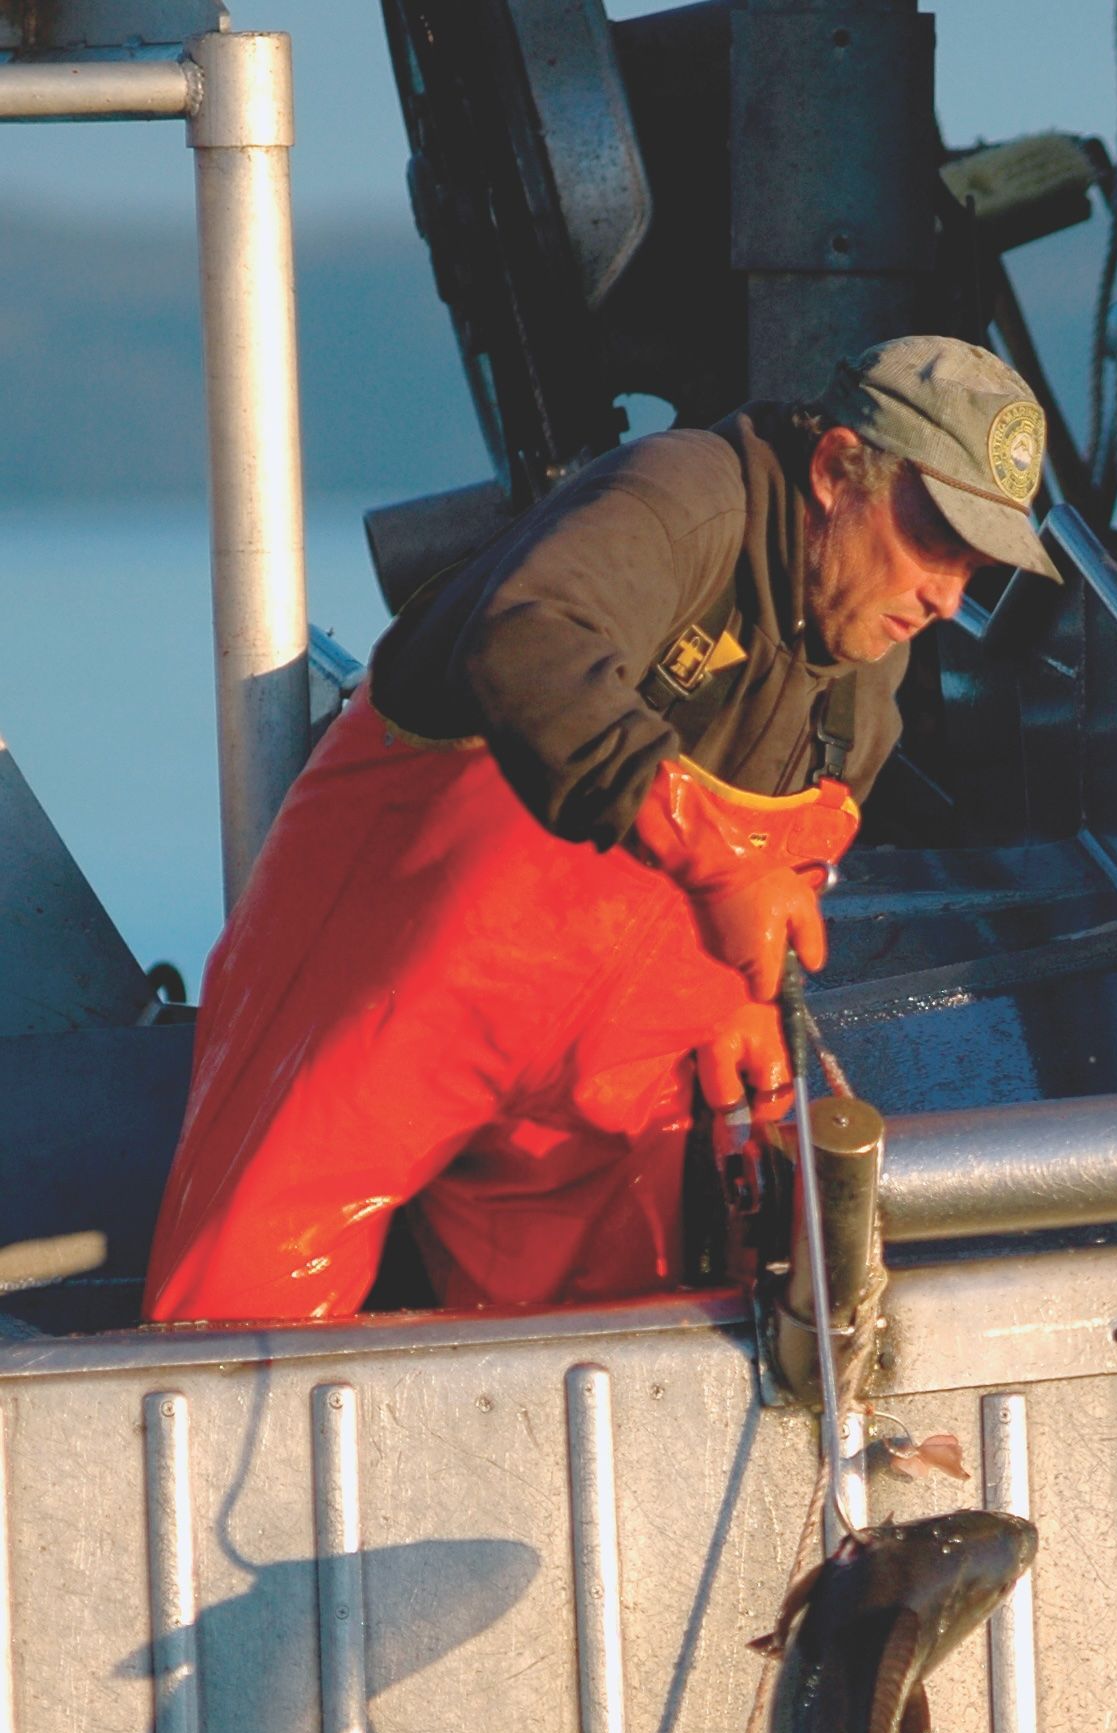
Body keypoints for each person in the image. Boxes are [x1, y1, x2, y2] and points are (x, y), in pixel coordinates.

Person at [142, 335, 1059, 1324]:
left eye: (975, 565)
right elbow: (527, 638)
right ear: (839, 469)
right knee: (231, 1328)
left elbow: (784, 860)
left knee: (601, 1373)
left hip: (592, 1093)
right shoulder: (686, 498)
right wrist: (714, 865)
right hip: (376, 1011)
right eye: (934, 541)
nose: (946, 597)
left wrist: (741, 999)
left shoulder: (868, 652)